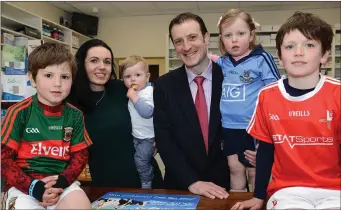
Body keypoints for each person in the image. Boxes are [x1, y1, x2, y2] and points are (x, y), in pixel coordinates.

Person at [232, 12, 340, 210]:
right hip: (287, 191)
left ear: (325, 55)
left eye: (309, 45)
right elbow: (265, 150)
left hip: (334, 190)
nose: (298, 52)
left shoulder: (337, 94)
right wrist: (258, 196)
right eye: (290, 46)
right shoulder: (268, 96)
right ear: (280, 57)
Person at [153, 12, 256, 199]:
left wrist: (260, 150)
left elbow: (253, 118)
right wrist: (192, 181)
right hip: (181, 187)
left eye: (192, 37)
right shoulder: (163, 85)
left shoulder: (233, 77)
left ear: (207, 37)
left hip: (226, 187)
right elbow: (164, 140)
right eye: (178, 41)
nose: (186, 47)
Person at [1, 43, 92, 209]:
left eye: (65, 77)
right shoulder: (18, 112)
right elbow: (3, 159)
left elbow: (81, 156)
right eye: (49, 75)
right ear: (32, 79)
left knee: (81, 205)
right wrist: (34, 187)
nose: (57, 83)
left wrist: (62, 182)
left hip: (60, 183)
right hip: (23, 186)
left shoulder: (75, 115)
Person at [67, 39, 163, 188]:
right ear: (81, 64)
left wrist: (161, 136)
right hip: (106, 184)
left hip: (145, 180)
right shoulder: (71, 101)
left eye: (107, 62)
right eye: (94, 61)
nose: (101, 67)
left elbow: (157, 106)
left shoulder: (123, 89)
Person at [209, 9, 281, 192]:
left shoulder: (261, 59)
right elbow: (207, 60)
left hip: (255, 127)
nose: (234, 39)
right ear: (222, 39)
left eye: (240, 34)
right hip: (229, 127)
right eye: (228, 35)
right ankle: (237, 203)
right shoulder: (223, 63)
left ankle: (258, 202)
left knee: (255, 170)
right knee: (235, 168)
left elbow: (275, 90)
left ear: (251, 35)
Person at [120, 55, 155, 189]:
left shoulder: (148, 92)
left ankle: (147, 181)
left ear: (147, 77)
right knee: (137, 160)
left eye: (138, 75)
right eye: (127, 77)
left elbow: (147, 113)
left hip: (148, 138)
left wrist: (134, 97)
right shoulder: (133, 92)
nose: (133, 79)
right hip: (137, 136)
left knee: (140, 161)